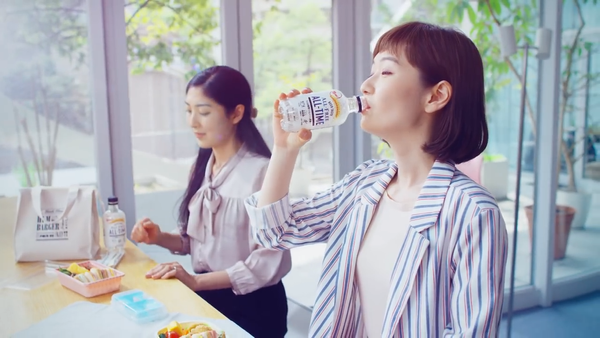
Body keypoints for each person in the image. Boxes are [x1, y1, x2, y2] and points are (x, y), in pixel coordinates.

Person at [245, 22, 508, 337]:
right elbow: (276, 231)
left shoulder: (474, 213)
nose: (365, 85)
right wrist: (284, 151)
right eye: (372, 71)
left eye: (385, 72)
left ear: (436, 95)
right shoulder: (365, 183)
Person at [131, 65, 291, 338]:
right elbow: (196, 241)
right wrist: (159, 237)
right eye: (188, 110)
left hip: (254, 307)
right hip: (207, 298)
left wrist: (195, 281)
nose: (193, 122)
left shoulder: (264, 172)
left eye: (204, 112)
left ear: (236, 113)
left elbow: (267, 262)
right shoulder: (202, 164)